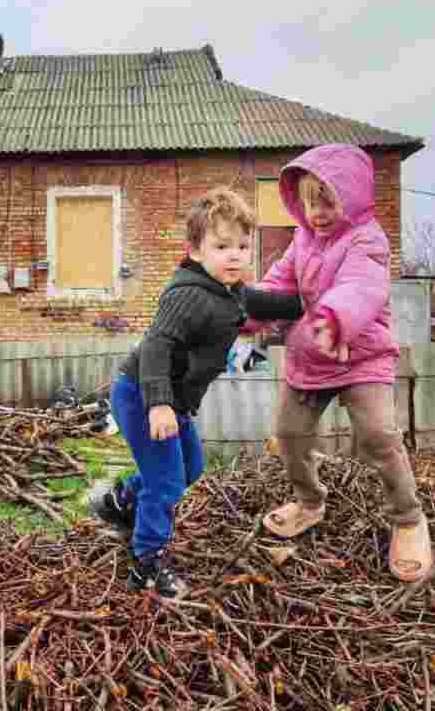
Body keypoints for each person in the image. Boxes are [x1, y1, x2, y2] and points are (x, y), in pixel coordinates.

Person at [89, 187, 304, 597]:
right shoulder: (187, 294)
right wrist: (159, 406)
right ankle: (146, 565)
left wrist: (304, 303)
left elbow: (259, 302)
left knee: (189, 469)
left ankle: (120, 501)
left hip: (171, 401)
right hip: (143, 396)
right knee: (168, 482)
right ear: (196, 250)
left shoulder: (228, 291)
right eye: (222, 246)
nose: (236, 255)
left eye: (243, 245)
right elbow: (155, 346)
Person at [243, 143, 433, 583]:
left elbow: (361, 288)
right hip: (311, 356)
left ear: (351, 197)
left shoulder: (368, 241)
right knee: (289, 434)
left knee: (378, 435)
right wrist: (247, 313)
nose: (317, 212)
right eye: (309, 202)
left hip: (360, 354)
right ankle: (309, 502)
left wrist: (334, 319)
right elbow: (277, 285)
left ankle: (408, 519)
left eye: (328, 200)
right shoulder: (301, 241)